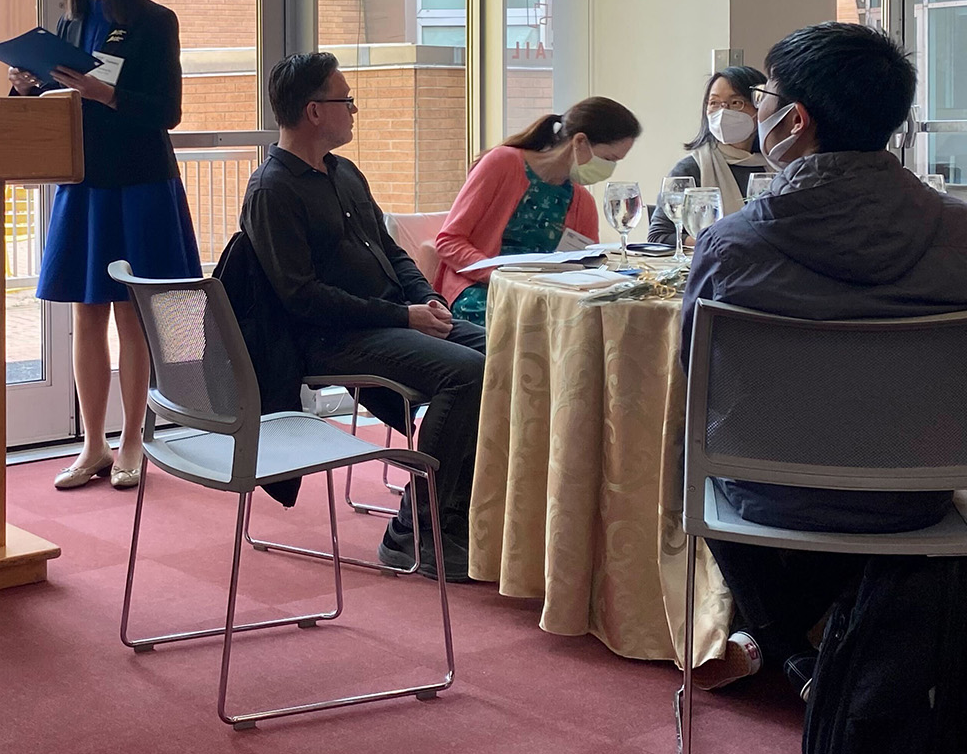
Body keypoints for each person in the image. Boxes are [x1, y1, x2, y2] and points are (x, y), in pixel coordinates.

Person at [678, 21, 967, 697]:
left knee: (687, 459)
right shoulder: (961, 234)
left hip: (773, 496)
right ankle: (842, 645)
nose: (756, 111)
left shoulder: (730, 244)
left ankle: (795, 655)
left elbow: (700, 377)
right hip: (918, 495)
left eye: (766, 97)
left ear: (795, 120)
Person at [241, 52, 487, 582]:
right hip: (331, 339)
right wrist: (404, 316)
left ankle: (469, 510)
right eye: (345, 100)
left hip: (389, 320)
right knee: (465, 373)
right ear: (313, 112)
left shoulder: (344, 172)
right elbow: (302, 298)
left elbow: (393, 252)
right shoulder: (272, 189)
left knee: (505, 350)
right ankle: (412, 532)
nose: (354, 109)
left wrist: (428, 302)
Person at [9, 0, 199, 492]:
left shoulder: (155, 22)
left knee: (130, 313)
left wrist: (104, 93)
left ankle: (133, 440)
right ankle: (92, 444)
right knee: (84, 314)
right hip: (83, 183)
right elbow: (50, 107)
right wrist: (24, 88)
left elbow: (166, 111)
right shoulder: (64, 30)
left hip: (139, 183)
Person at [433, 98, 641, 326]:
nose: (610, 169)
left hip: (543, 296)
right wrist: (498, 274)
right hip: (482, 288)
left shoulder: (582, 201)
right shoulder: (502, 163)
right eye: (609, 159)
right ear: (580, 141)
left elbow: (586, 263)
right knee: (535, 327)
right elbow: (448, 241)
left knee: (592, 324)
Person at [648, 66, 771, 246]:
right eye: (714, 103)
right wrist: (720, 244)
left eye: (736, 102)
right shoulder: (692, 168)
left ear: (761, 107)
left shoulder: (779, 165)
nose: (723, 111)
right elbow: (659, 236)